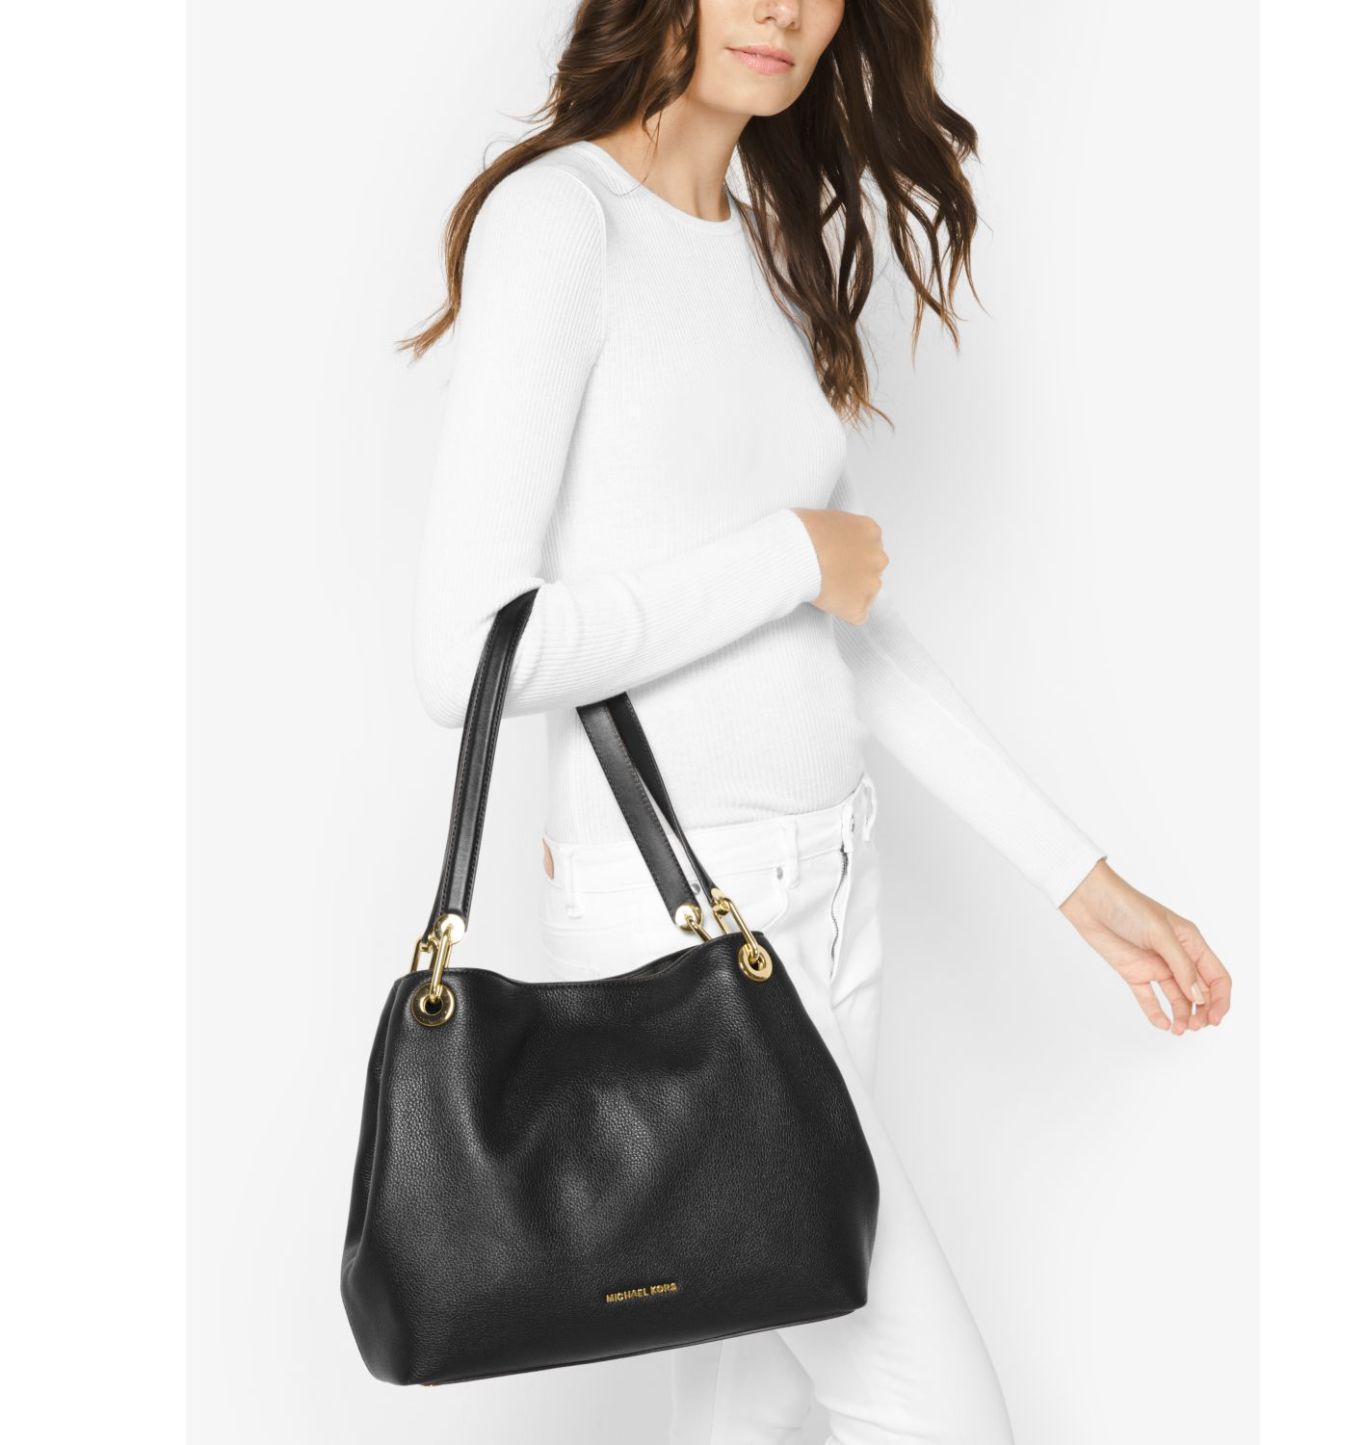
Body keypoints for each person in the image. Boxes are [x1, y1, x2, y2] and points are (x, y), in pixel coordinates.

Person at [408, 2, 1232, 1440]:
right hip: (676, 922)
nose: (785, 9)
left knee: (743, 1411)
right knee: (939, 1411)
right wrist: (787, 553)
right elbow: (472, 648)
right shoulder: (561, 223)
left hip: (828, 893)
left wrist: (1077, 879)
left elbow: (841, 625)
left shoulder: (766, 240)